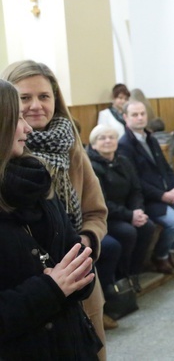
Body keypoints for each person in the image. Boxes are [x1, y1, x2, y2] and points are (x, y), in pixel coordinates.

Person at [2, 60, 109, 358]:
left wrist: (83, 247)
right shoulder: (14, 159)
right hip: (30, 309)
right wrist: (50, 280)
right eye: (24, 98)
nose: (35, 106)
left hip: (77, 278)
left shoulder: (69, 142)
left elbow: (96, 211)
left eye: (44, 96)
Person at [88, 124, 156, 294]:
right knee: (128, 232)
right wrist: (129, 215)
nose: (108, 141)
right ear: (93, 144)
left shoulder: (123, 161)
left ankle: (133, 273)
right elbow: (101, 201)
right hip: (105, 216)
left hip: (127, 212)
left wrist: (138, 211)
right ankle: (120, 276)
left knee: (148, 226)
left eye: (111, 137)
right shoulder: (92, 166)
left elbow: (136, 190)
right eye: (102, 138)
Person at [118, 100, 174, 275]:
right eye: (135, 115)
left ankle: (169, 251)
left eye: (142, 114)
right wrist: (163, 195)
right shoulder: (124, 145)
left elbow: (166, 169)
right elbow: (136, 181)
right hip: (148, 200)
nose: (140, 118)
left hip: (167, 193)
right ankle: (160, 256)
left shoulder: (150, 138)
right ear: (125, 118)